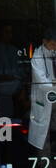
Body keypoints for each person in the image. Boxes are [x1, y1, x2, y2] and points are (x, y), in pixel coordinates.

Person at [28, 31, 56, 159]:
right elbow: (42, 83)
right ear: (45, 41)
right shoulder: (37, 57)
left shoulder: (53, 53)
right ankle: (44, 163)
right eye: (52, 43)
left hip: (53, 99)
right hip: (44, 100)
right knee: (43, 134)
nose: (55, 46)